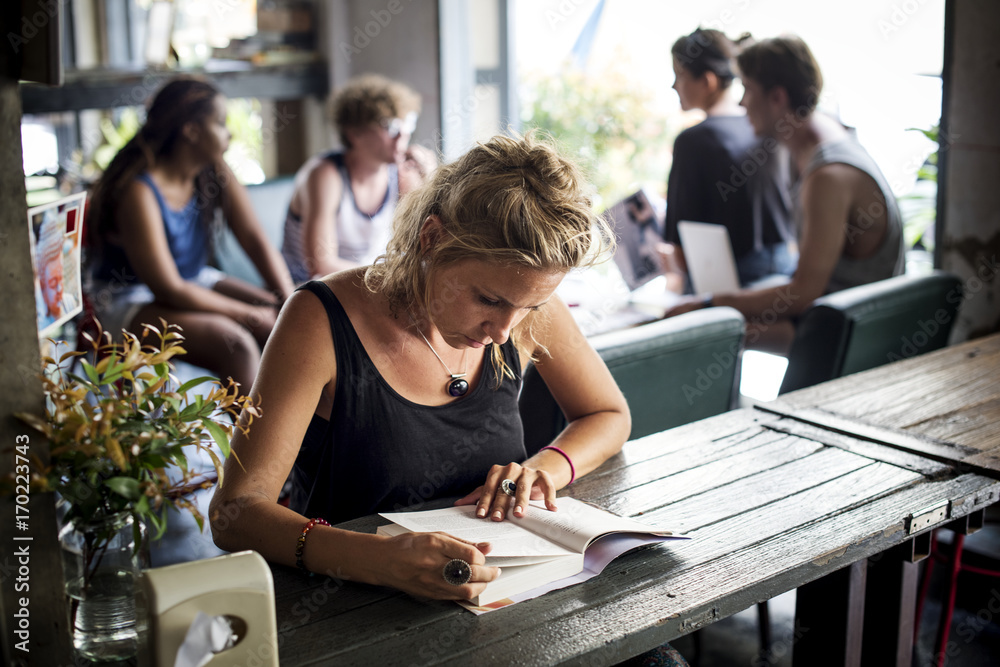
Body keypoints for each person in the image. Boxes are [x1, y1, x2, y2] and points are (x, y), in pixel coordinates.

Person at [210, 133, 633, 603]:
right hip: (348, 607)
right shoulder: (319, 320)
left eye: (530, 306)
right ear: (432, 238)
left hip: (502, 597)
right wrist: (379, 559)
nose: (502, 331)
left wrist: (543, 470)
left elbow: (608, 414)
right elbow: (236, 512)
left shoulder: (527, 310)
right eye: (487, 299)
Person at [664, 35, 904, 353]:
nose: (741, 102)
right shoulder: (824, 137)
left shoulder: (828, 176)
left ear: (777, 97)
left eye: (748, 89)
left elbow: (802, 294)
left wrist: (709, 304)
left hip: (854, 341)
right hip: (839, 323)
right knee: (697, 325)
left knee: (691, 332)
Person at [87, 77, 295, 390]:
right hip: (129, 299)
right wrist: (251, 315)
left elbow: (255, 240)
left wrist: (289, 300)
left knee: (290, 318)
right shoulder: (139, 192)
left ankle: (311, 434)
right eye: (221, 123)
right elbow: (168, 288)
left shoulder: (214, 170)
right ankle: (254, 439)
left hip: (195, 278)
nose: (230, 133)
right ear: (191, 130)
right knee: (234, 343)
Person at [663, 28, 796, 288]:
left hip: (729, 282)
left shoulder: (693, 141)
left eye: (679, 75)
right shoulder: (766, 128)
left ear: (708, 81)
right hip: (785, 267)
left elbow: (681, 250)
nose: (673, 85)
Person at [281, 74, 421, 283]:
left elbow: (421, 247)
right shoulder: (325, 175)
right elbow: (321, 266)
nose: (402, 136)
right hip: (307, 292)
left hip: (367, 283)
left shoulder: (403, 175)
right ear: (355, 133)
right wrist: (393, 276)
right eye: (390, 127)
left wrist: (429, 177)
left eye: (407, 124)